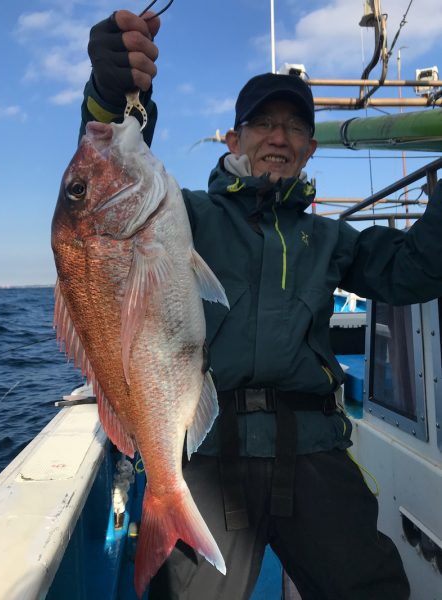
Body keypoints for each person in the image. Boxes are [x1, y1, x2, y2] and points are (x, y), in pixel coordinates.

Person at [80, 9, 442, 600]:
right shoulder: (185, 214)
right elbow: (109, 184)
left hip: (315, 452)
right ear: (234, 138)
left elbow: (414, 270)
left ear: (309, 149)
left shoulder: (330, 239)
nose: (280, 137)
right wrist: (113, 93)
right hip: (210, 451)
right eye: (263, 123)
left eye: (295, 128)